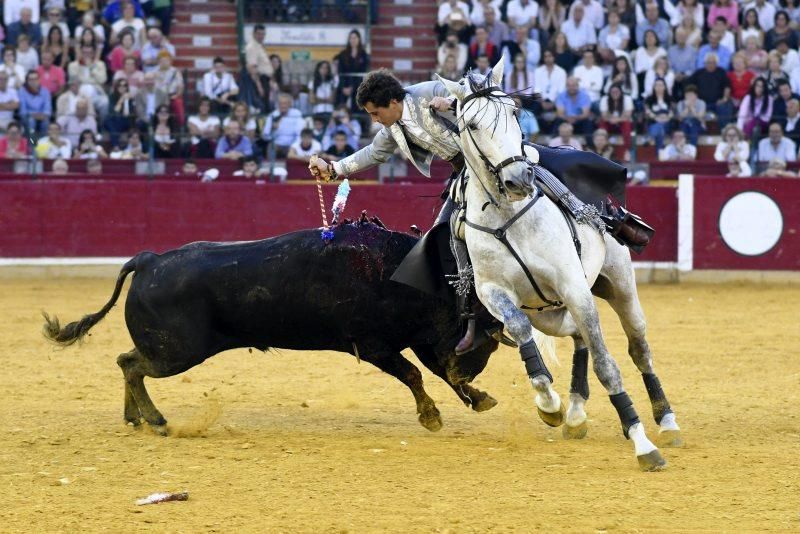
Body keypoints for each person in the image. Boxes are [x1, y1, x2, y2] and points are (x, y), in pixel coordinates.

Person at [687, 53, 733, 126]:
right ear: (705, 63)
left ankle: (724, 130)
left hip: (718, 102)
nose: (710, 64)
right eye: (708, 62)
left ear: (717, 63)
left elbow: (727, 87)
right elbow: (689, 85)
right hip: (701, 102)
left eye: (713, 62)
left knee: (724, 106)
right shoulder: (699, 73)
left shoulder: (721, 72)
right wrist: (693, 99)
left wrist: (724, 98)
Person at [334, 30, 369, 112]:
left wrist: (352, 87)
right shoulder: (343, 54)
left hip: (357, 85)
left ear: (359, 39)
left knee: (358, 105)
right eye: (351, 38)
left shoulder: (363, 54)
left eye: (355, 38)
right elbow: (340, 71)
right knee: (339, 105)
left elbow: (362, 71)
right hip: (344, 83)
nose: (353, 40)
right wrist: (343, 87)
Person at [263, 93, 305, 158]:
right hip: (277, 145)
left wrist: (294, 146)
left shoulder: (296, 114)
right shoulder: (272, 115)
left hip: (291, 144)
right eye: (280, 103)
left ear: (290, 104)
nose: (283, 106)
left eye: (285, 103)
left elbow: (299, 134)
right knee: (270, 147)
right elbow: (265, 136)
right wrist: (273, 129)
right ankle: (271, 167)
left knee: (297, 149)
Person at [599, 83, 633, 160]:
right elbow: (604, 116)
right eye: (613, 92)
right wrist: (611, 119)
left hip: (622, 123)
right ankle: (603, 149)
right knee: (602, 124)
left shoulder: (627, 99)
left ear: (621, 92)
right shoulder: (605, 99)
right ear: (610, 93)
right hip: (609, 123)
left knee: (626, 124)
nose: (615, 94)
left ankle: (627, 150)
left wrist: (616, 119)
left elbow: (627, 116)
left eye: (617, 92)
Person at [645, 77, 674, 150]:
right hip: (653, 122)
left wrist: (666, 118)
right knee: (659, 128)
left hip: (667, 123)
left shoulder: (670, 99)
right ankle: (660, 152)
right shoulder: (649, 99)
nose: (659, 87)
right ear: (654, 87)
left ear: (664, 87)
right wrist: (656, 118)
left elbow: (672, 113)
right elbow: (647, 112)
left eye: (661, 85)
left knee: (660, 126)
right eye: (657, 85)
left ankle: (650, 137)